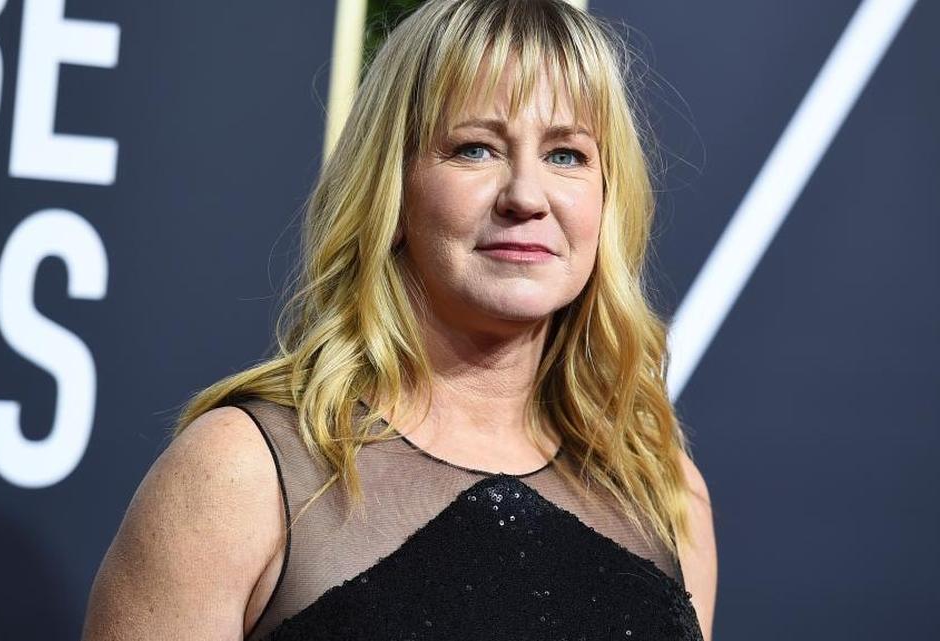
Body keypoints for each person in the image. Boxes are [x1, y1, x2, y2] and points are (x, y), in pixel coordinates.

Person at [81, 0, 717, 639]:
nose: (526, 196)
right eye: (475, 149)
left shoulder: (662, 493)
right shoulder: (239, 473)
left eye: (567, 156)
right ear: (392, 183)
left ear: (609, 197)